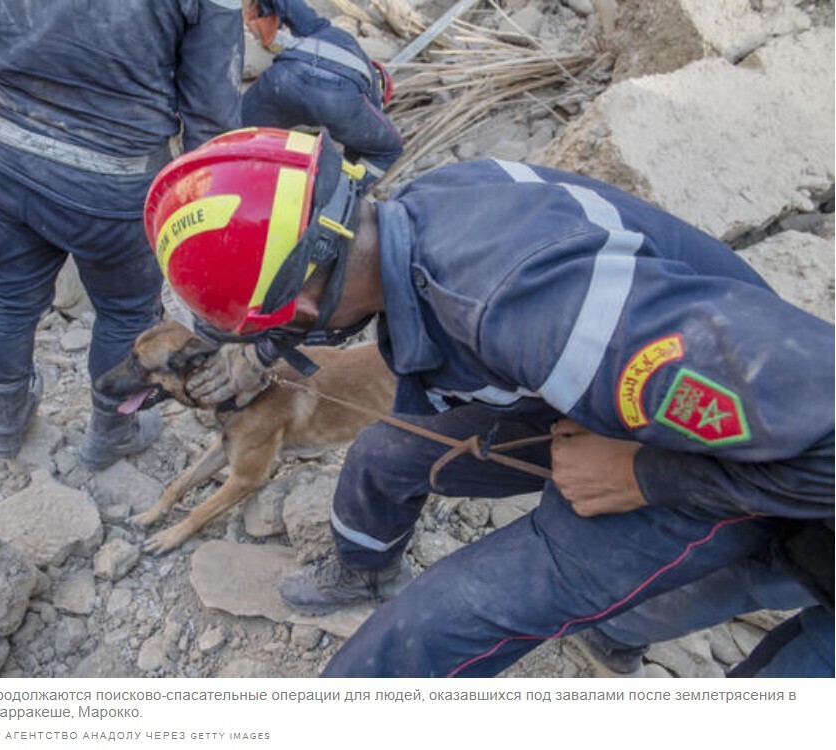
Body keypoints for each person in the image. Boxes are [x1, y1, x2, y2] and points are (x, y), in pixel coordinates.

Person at [147, 126, 834, 679]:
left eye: (275, 327)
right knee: (387, 451)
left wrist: (638, 475)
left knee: (432, 629)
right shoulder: (426, 210)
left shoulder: (540, 313)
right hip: (624, 409)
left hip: (749, 466)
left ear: (299, 302)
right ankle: (364, 571)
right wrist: (269, 351)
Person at [0, 0, 245, 468]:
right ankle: (111, 435)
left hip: (5, 153)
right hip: (114, 180)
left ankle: (5, 427)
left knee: (9, 294)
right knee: (125, 312)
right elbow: (212, 114)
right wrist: (200, 216)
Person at [241, 0, 402, 192]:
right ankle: (340, 197)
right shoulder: (371, 94)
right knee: (389, 149)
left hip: (282, 78)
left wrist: (266, 10)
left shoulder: (335, 35)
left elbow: (296, 9)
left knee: (234, 137)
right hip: (335, 100)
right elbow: (359, 149)